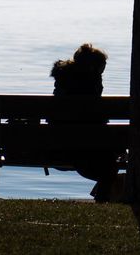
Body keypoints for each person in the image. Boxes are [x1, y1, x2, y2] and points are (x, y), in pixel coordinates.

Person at [49, 43, 121, 202]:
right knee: (110, 163)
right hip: (86, 148)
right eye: (102, 68)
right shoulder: (91, 83)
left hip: (58, 144)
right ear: (94, 67)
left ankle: (104, 197)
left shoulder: (63, 82)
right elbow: (95, 119)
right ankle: (102, 200)